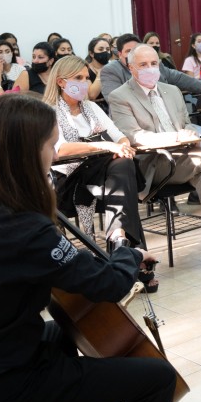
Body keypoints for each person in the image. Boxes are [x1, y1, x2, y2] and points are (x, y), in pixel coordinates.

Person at [0, 93, 176, 402]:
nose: (55, 155)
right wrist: (128, 252)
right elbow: (109, 284)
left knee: (61, 331)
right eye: (51, 145)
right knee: (158, 378)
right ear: (26, 153)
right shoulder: (22, 227)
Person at [108, 44, 201, 274]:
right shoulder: (119, 96)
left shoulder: (172, 90)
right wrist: (176, 136)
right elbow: (134, 137)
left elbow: (185, 123)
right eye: (143, 65)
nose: (151, 68)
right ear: (131, 68)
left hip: (189, 157)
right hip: (155, 162)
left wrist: (191, 132)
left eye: (154, 63)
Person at [45, 55, 148, 260]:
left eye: (86, 78)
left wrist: (123, 146)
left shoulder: (91, 108)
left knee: (122, 167)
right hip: (69, 179)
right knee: (123, 175)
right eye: (78, 78)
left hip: (101, 176)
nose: (85, 83)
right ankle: (129, 251)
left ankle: (121, 241)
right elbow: (61, 149)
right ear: (61, 82)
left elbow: (119, 136)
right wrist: (103, 145)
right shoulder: (50, 111)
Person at [99, 33, 201, 103]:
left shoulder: (154, 64)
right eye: (129, 51)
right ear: (119, 54)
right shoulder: (111, 70)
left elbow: (180, 78)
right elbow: (114, 99)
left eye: (136, 49)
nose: (133, 54)